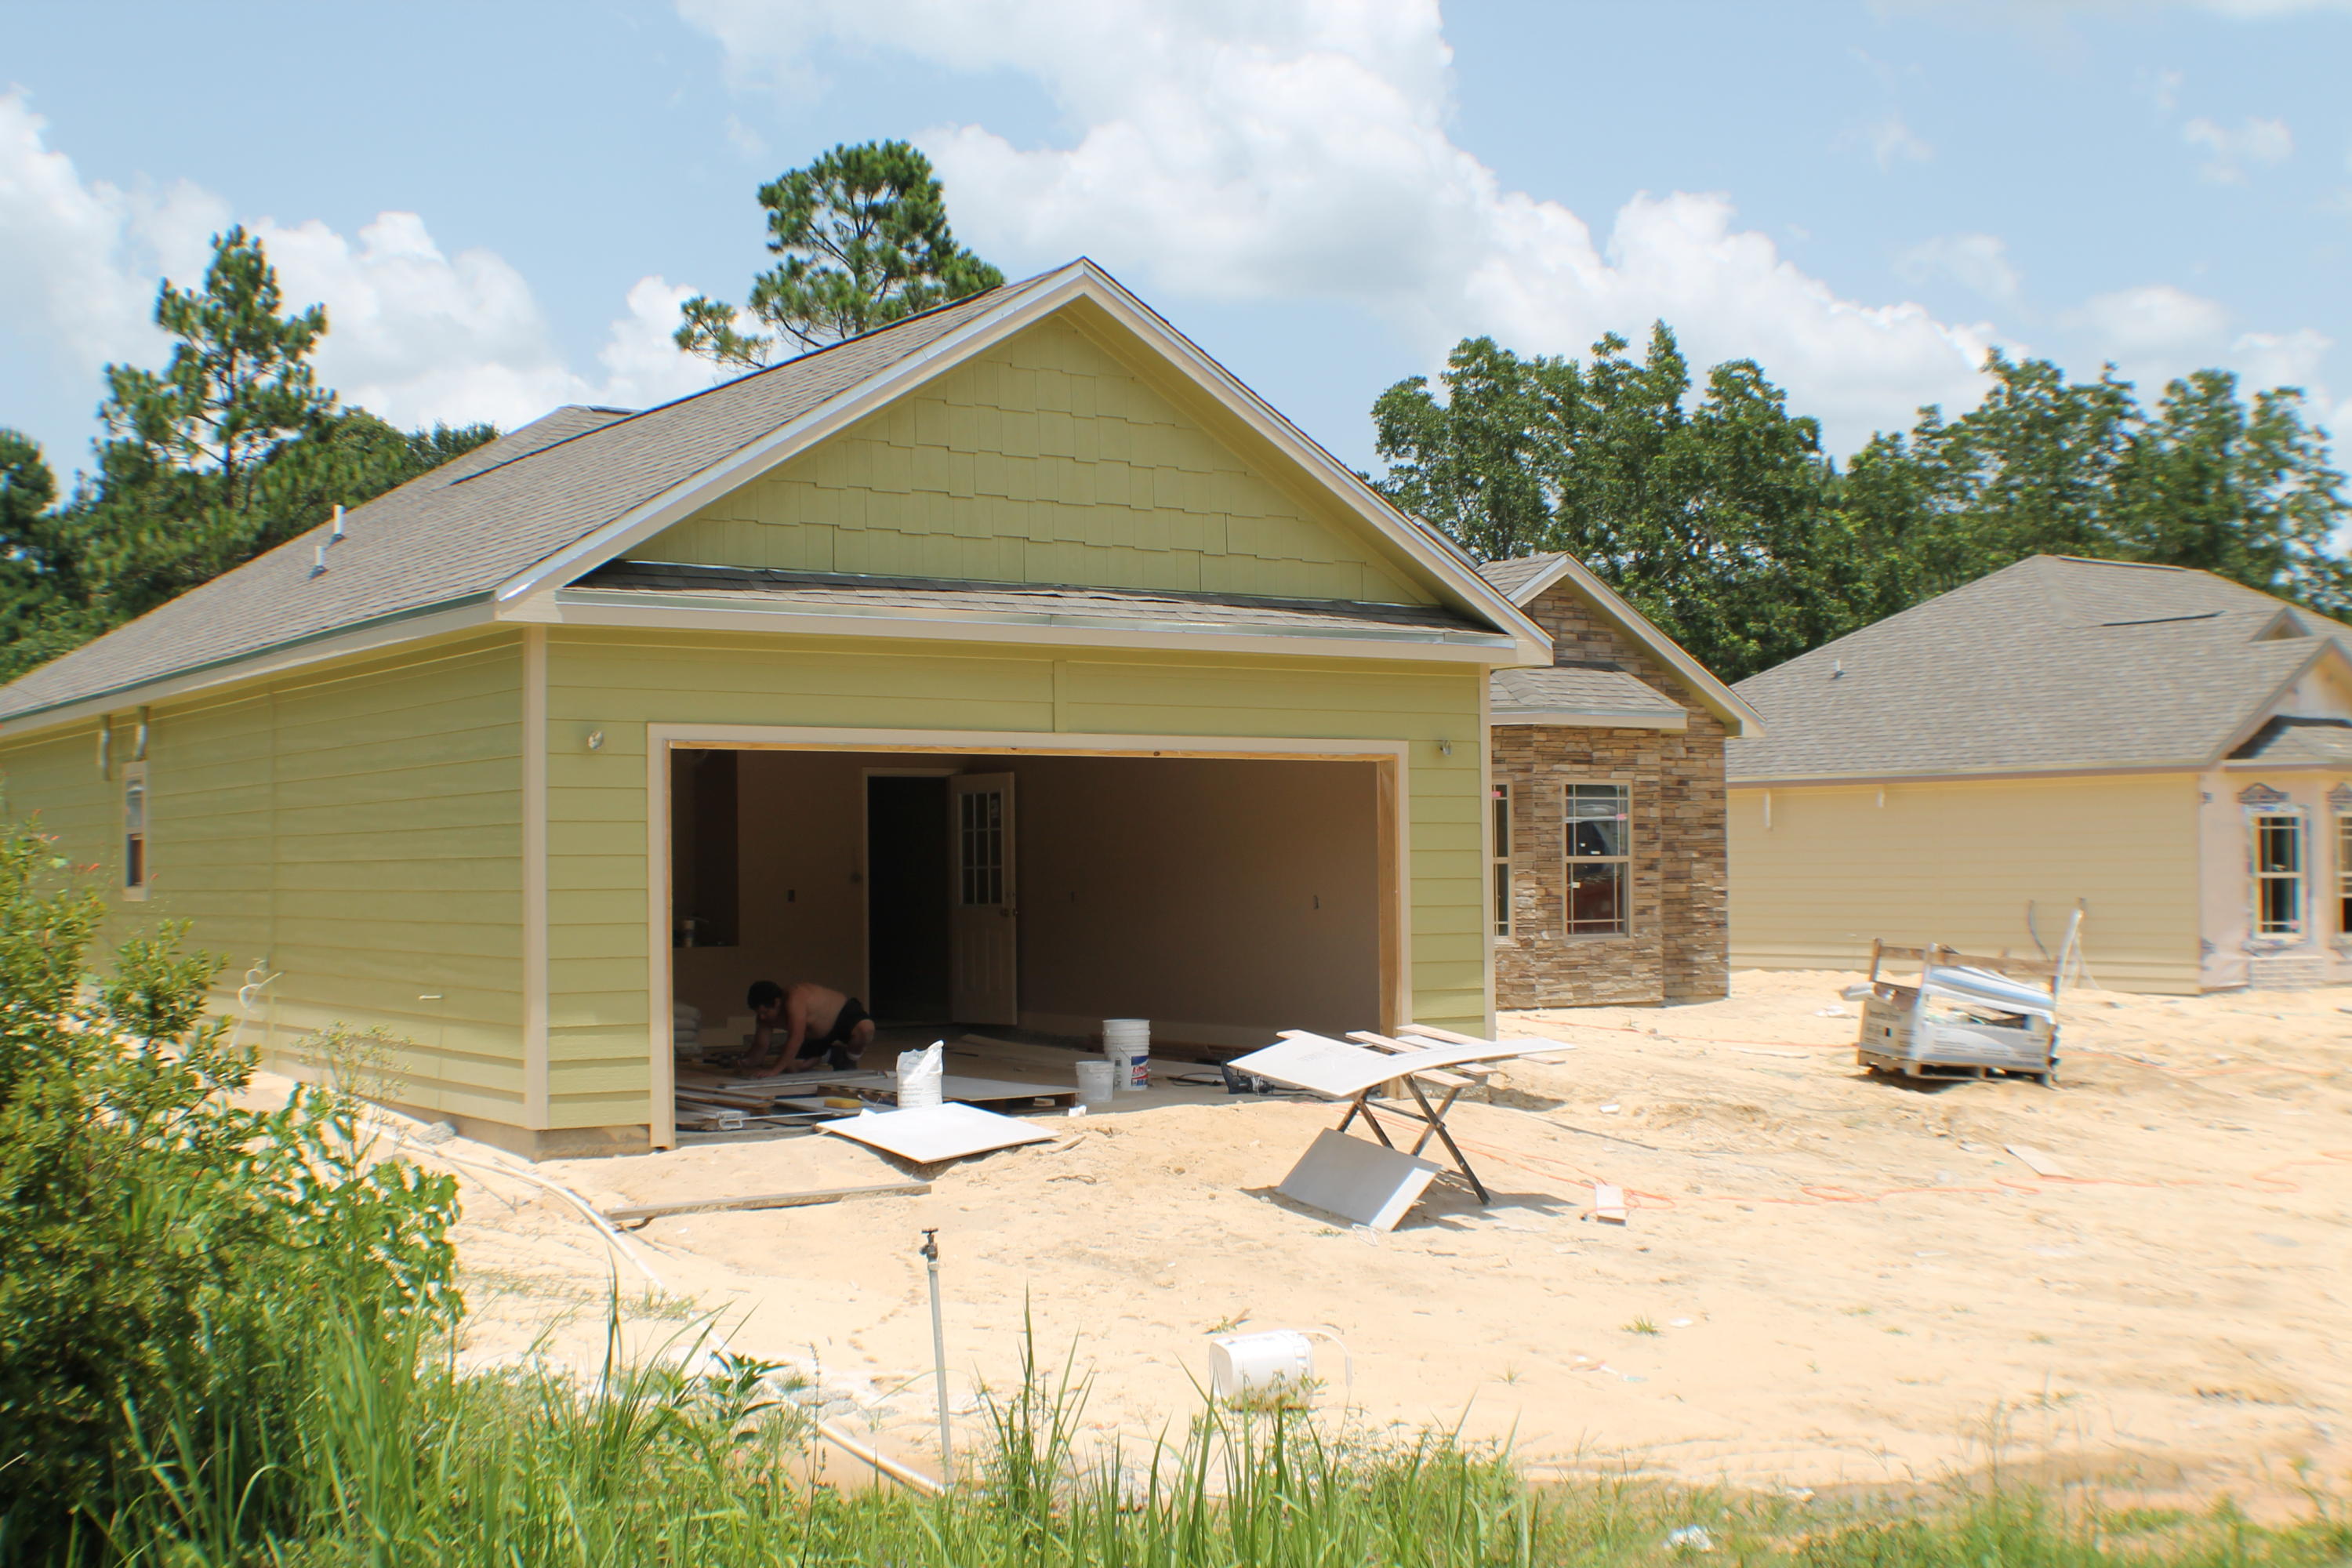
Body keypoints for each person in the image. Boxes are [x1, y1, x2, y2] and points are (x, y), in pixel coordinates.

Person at [742, 978, 873, 1074]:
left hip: (842, 1016)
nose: (762, 1018)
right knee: (791, 1066)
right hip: (817, 1036)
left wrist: (774, 1070)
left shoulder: (795, 998)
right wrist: (746, 1063)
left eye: (765, 1013)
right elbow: (761, 1045)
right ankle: (832, 1055)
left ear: (777, 1003)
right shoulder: (764, 1018)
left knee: (866, 1029)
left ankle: (850, 1060)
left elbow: (796, 1038)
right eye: (759, 1014)